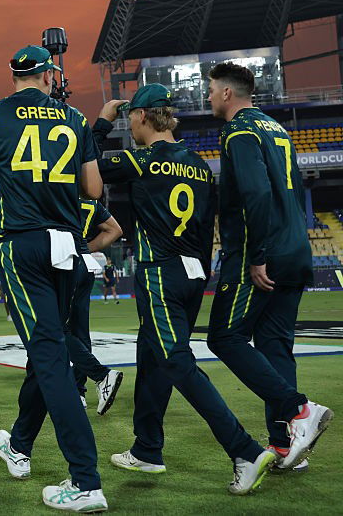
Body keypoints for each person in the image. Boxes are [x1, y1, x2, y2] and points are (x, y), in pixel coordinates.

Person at [98, 86, 275, 497]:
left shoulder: (139, 159)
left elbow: (85, 165)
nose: (130, 126)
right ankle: (147, 449)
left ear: (141, 116)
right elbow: (206, 224)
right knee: (153, 353)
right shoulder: (198, 164)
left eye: (131, 119)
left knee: (175, 361)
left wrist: (103, 122)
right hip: (194, 273)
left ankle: (244, 450)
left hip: (159, 272)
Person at [0, 44, 107, 510]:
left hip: (21, 243)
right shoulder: (75, 118)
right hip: (66, 243)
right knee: (50, 346)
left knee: (50, 355)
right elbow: (94, 189)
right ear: (48, 75)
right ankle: (19, 443)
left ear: (16, 75)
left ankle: (85, 479)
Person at [204, 62, 332, 471]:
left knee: (224, 338)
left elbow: (256, 194)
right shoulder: (278, 129)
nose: (208, 97)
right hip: (296, 249)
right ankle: (286, 445)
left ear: (227, 93)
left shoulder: (239, 130)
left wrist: (256, 254)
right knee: (276, 345)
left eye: (210, 91)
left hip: (262, 254)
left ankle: (299, 410)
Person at [69, 199, 123, 415]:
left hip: (63, 263)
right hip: (84, 263)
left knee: (52, 328)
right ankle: (78, 392)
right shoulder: (91, 203)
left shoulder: (58, 190)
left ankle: (100, 376)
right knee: (80, 332)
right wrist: (85, 248)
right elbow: (115, 230)